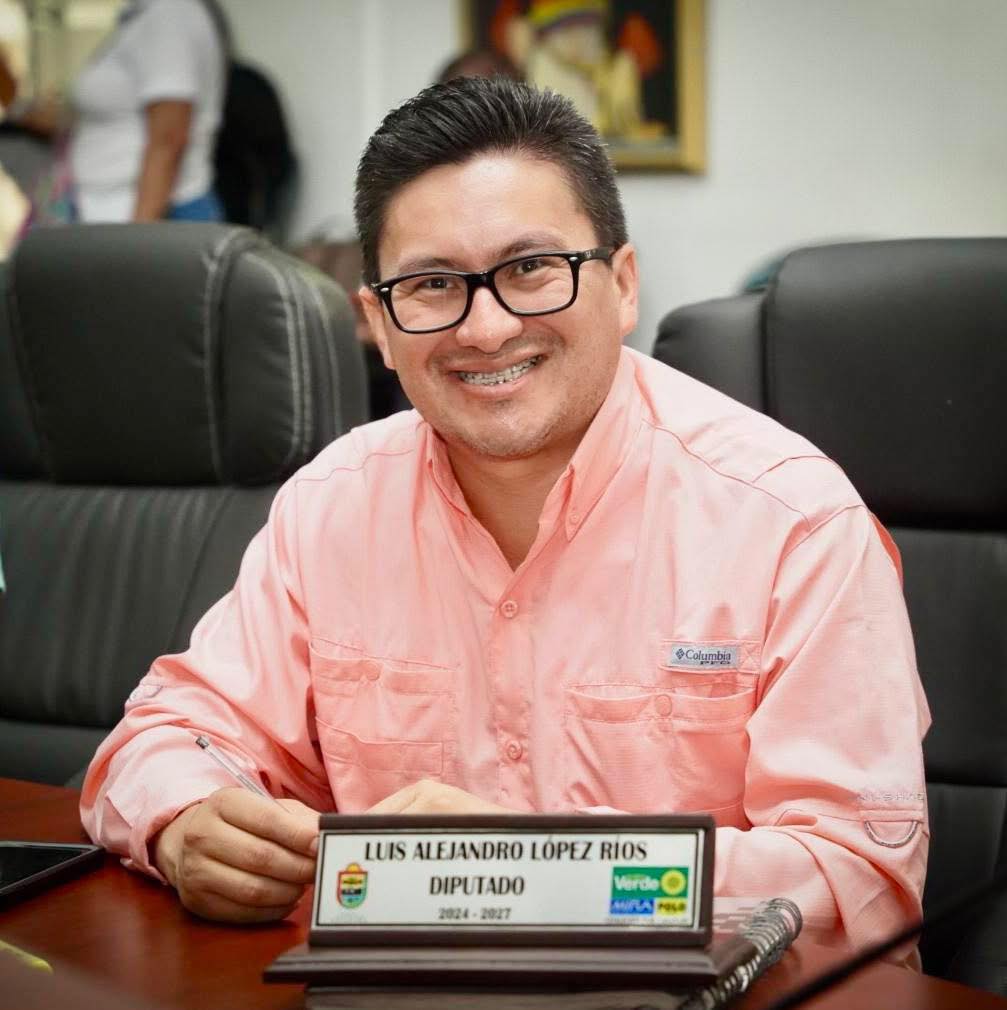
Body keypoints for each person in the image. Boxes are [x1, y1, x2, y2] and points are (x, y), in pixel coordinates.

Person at [81, 77, 929, 963]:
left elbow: (859, 884)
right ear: (378, 323)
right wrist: (186, 820)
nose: (484, 329)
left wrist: (531, 865)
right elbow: (166, 735)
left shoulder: (790, 522)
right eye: (432, 284)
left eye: (530, 270)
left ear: (623, 284)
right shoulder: (330, 504)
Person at [67, 0, 227, 222]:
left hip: (148, 213)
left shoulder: (170, 13)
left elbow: (168, 139)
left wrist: (139, 236)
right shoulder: (141, 14)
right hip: (108, 208)